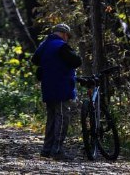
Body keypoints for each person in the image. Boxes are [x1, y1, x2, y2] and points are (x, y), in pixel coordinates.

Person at [31, 23, 82, 161]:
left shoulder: (44, 44)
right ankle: (57, 150)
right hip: (61, 87)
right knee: (62, 117)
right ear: (65, 34)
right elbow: (77, 61)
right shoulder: (61, 46)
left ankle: (46, 150)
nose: (67, 39)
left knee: (52, 119)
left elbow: (35, 59)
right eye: (67, 36)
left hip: (48, 86)